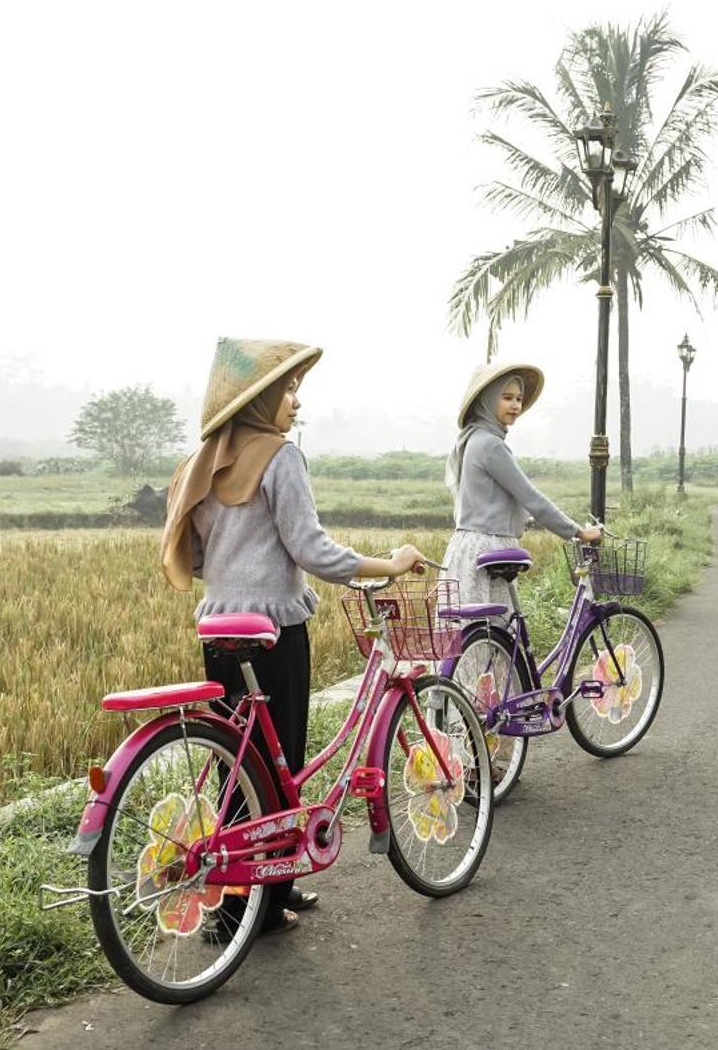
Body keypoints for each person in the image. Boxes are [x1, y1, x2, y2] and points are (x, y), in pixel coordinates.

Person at [162, 337, 421, 937]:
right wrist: (388, 562)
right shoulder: (280, 458)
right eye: (288, 390)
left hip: (219, 626)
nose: (296, 402)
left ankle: (258, 894)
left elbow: (194, 555)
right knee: (280, 765)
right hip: (275, 629)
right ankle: (253, 905)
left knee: (237, 765)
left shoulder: (203, 461)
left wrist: (237, 564)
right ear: (260, 399)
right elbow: (313, 551)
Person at [442, 361, 601, 605]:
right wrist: (576, 532)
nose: (516, 405)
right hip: (490, 547)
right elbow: (531, 497)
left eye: (518, 398)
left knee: (475, 635)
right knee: (495, 632)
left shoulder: (473, 438)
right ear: (488, 400)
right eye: (507, 398)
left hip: (466, 548)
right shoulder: (491, 445)